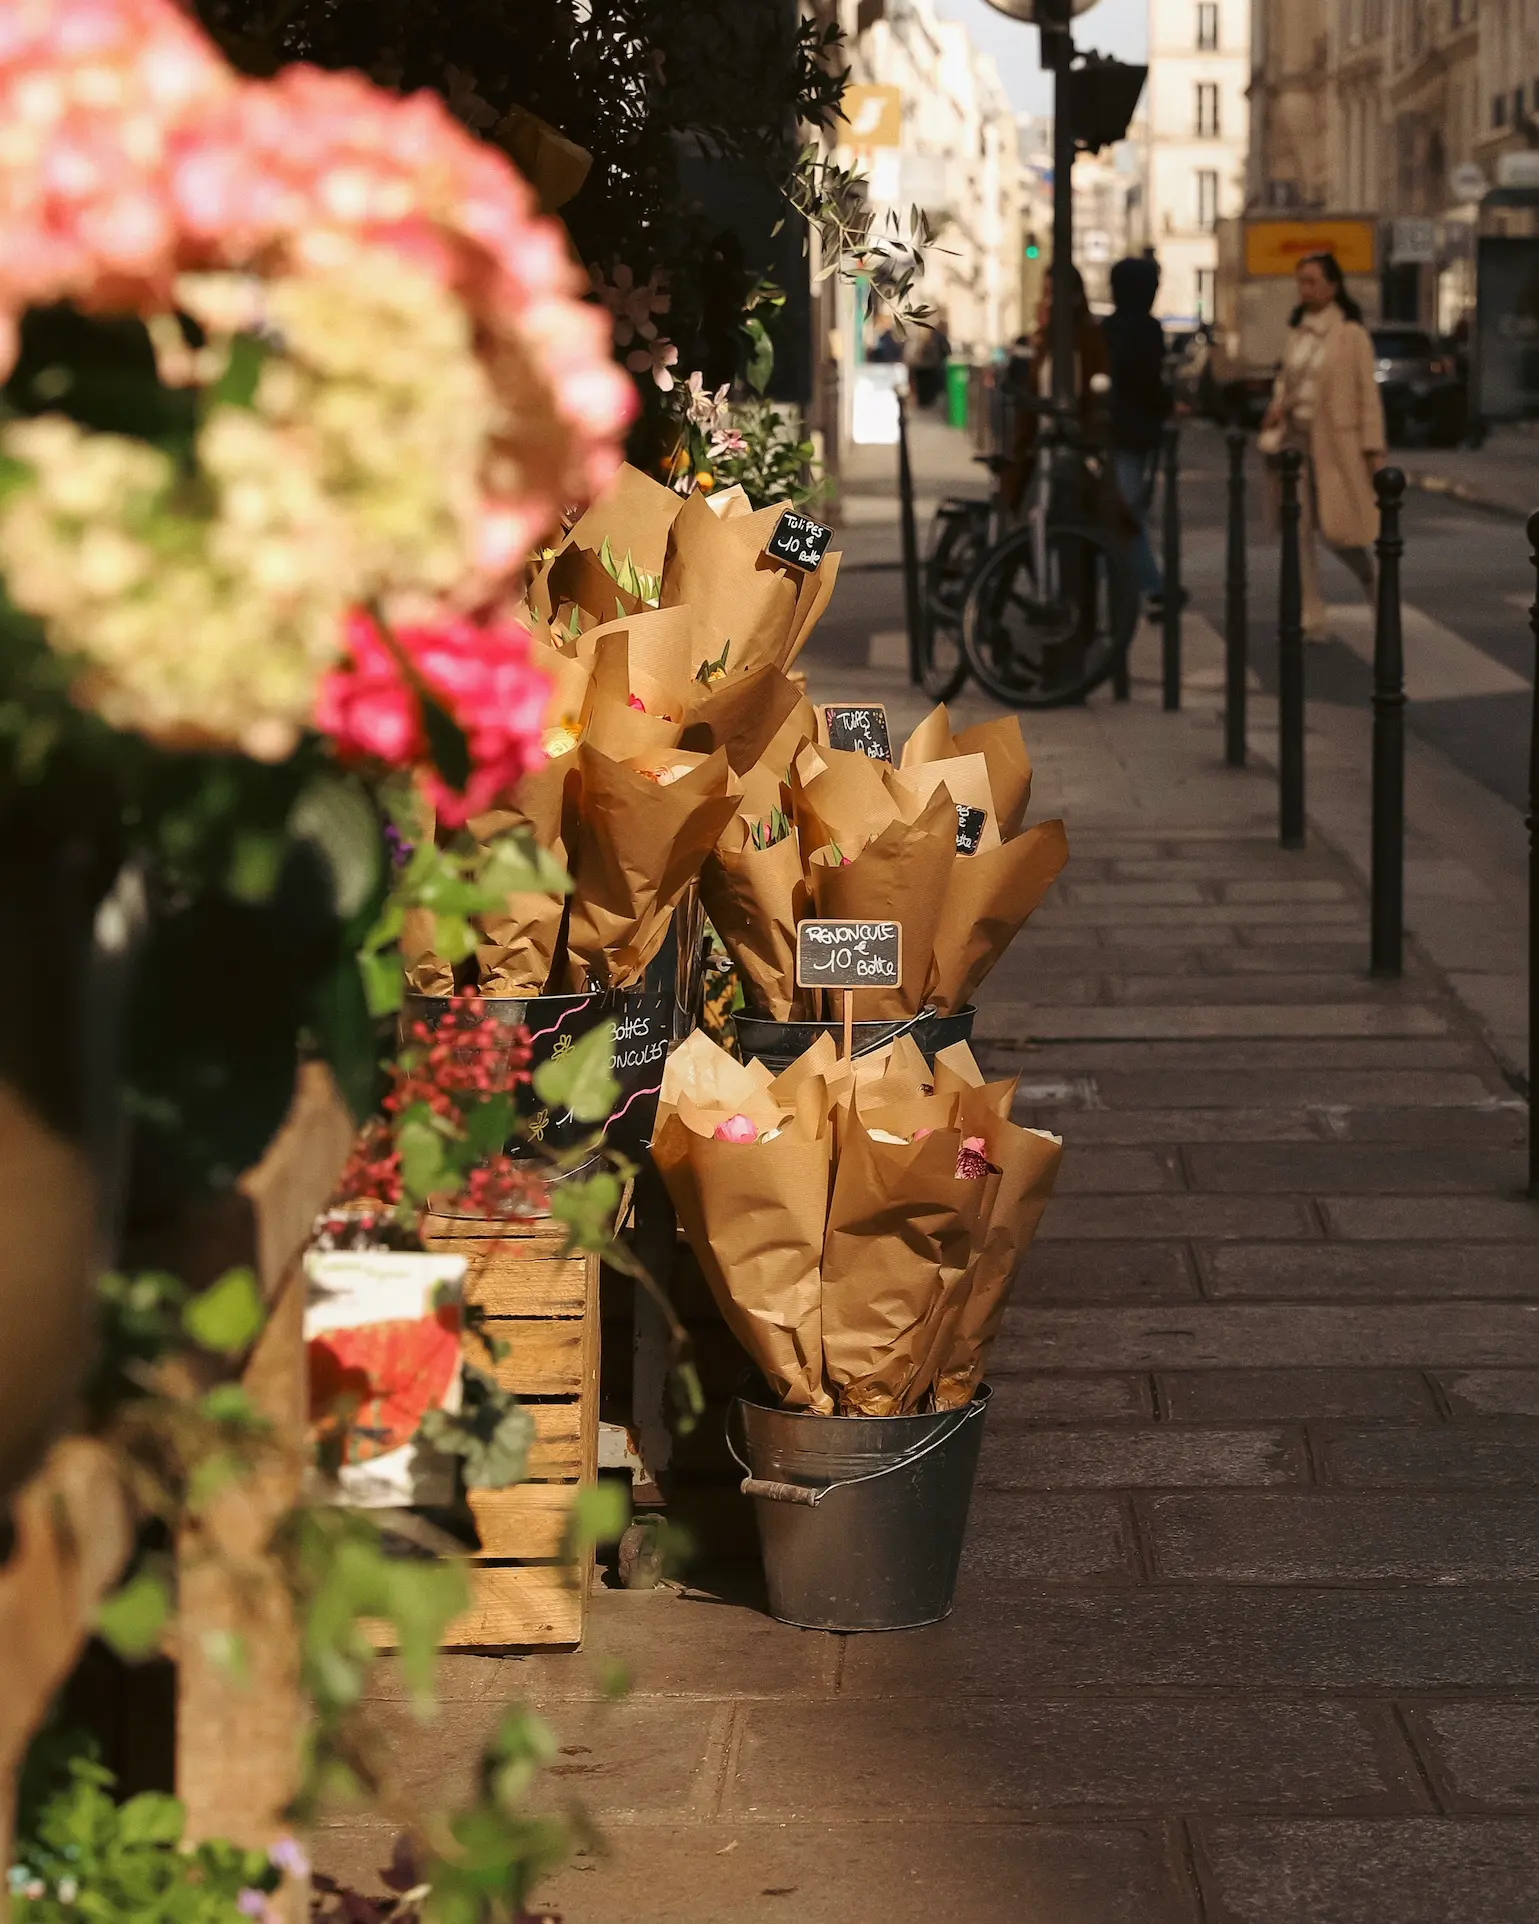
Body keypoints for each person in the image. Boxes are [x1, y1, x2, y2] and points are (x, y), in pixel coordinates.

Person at [1260, 251, 1386, 641]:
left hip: (1336, 446)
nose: (1305, 289)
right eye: (1301, 281)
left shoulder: (1351, 334)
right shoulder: (1297, 333)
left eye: (1312, 281)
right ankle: (1310, 613)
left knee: (1339, 530)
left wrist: (1374, 453)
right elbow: (1286, 383)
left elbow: (1368, 396)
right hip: (1296, 443)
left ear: (1333, 286)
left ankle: (1373, 583)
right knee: (1297, 532)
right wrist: (1275, 408)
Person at [1000, 265, 1109, 510]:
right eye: (1045, 292)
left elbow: (1094, 394)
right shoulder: (1045, 342)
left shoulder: (1088, 339)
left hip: (1075, 452)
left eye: (1053, 293)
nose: (1047, 301)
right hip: (1040, 451)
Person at [1101, 255, 1174, 615]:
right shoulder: (1147, 329)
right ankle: (1151, 586)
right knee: (1127, 512)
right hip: (1134, 432)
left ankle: (1143, 582)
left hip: (1114, 430)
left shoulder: (1109, 327)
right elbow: (1148, 383)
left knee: (1126, 510)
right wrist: (1167, 404)